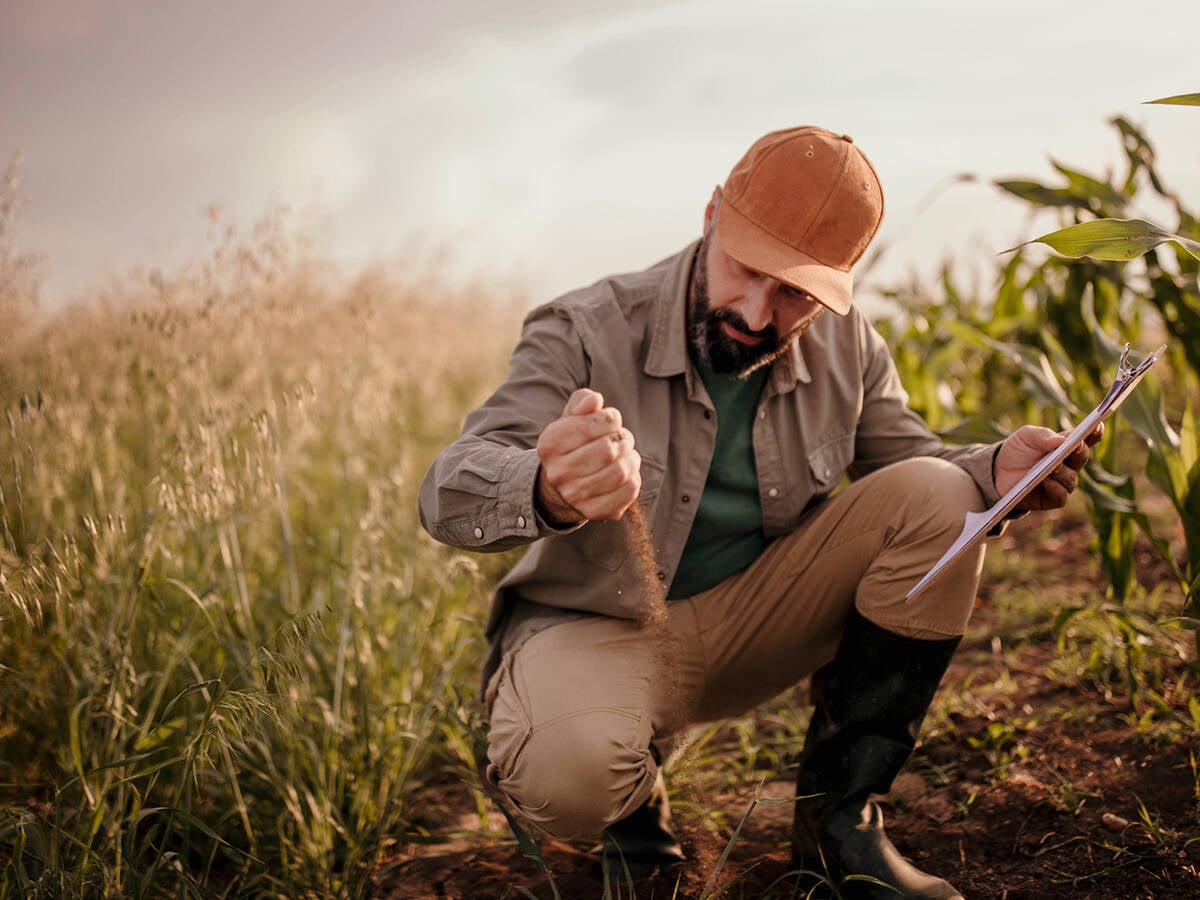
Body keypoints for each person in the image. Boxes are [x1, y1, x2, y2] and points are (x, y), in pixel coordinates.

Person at [418, 125, 1098, 899]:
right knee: (569, 777)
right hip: (600, 628)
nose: (755, 310)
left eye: (796, 293)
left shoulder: (852, 349)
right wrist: (547, 485)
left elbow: (911, 473)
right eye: (745, 269)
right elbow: (448, 491)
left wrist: (992, 471)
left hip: (752, 624)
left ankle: (842, 827)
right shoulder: (584, 327)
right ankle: (635, 815)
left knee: (943, 496)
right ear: (712, 214)